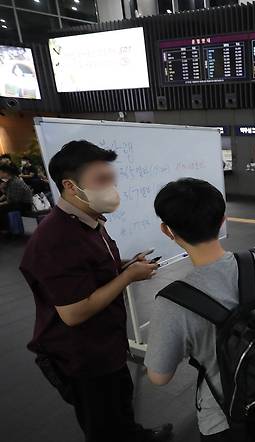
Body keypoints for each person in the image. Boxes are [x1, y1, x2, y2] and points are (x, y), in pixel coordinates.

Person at [19, 140, 172, 442]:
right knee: (102, 422)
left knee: (119, 403)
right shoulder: (55, 239)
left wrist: (125, 265)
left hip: (106, 342)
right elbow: (74, 313)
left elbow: (95, 269)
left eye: (111, 179)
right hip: (80, 354)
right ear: (70, 186)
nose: (111, 188)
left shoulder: (90, 220)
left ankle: (134, 435)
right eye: (101, 181)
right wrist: (127, 277)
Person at [146, 178, 255, 442]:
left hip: (224, 419)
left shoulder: (173, 302)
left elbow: (159, 376)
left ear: (167, 230)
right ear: (223, 219)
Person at [0, 163, 33, 231]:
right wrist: (3, 189)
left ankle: (7, 230)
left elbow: (13, 200)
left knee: (2, 209)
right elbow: (9, 195)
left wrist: (1, 203)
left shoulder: (15, 182)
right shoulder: (10, 181)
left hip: (25, 204)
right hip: (18, 203)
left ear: (6, 173)